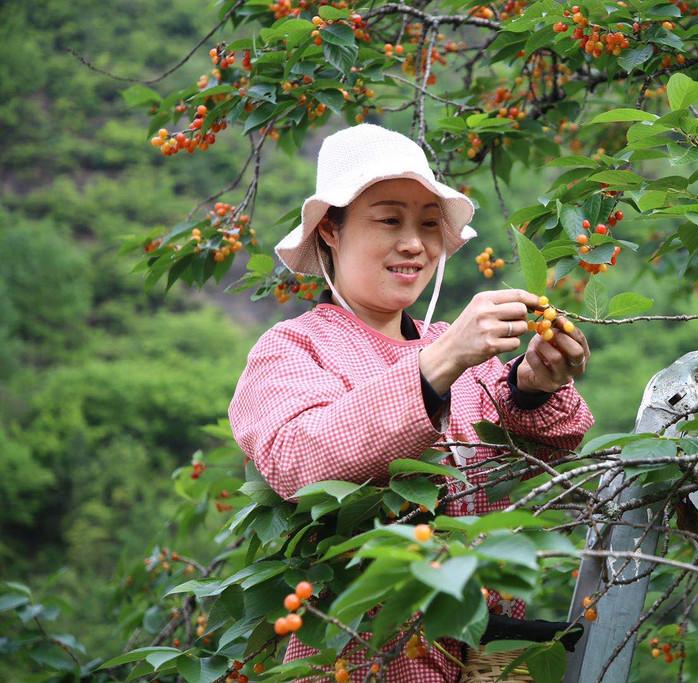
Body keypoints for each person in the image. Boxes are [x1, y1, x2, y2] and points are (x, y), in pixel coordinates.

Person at [227, 124, 595, 682]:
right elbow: (302, 460)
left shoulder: (454, 348)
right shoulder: (293, 349)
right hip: (361, 666)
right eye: (388, 219)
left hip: (487, 664)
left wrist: (532, 384)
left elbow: (547, 448)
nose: (415, 244)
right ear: (330, 229)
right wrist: (438, 363)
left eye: (428, 224)